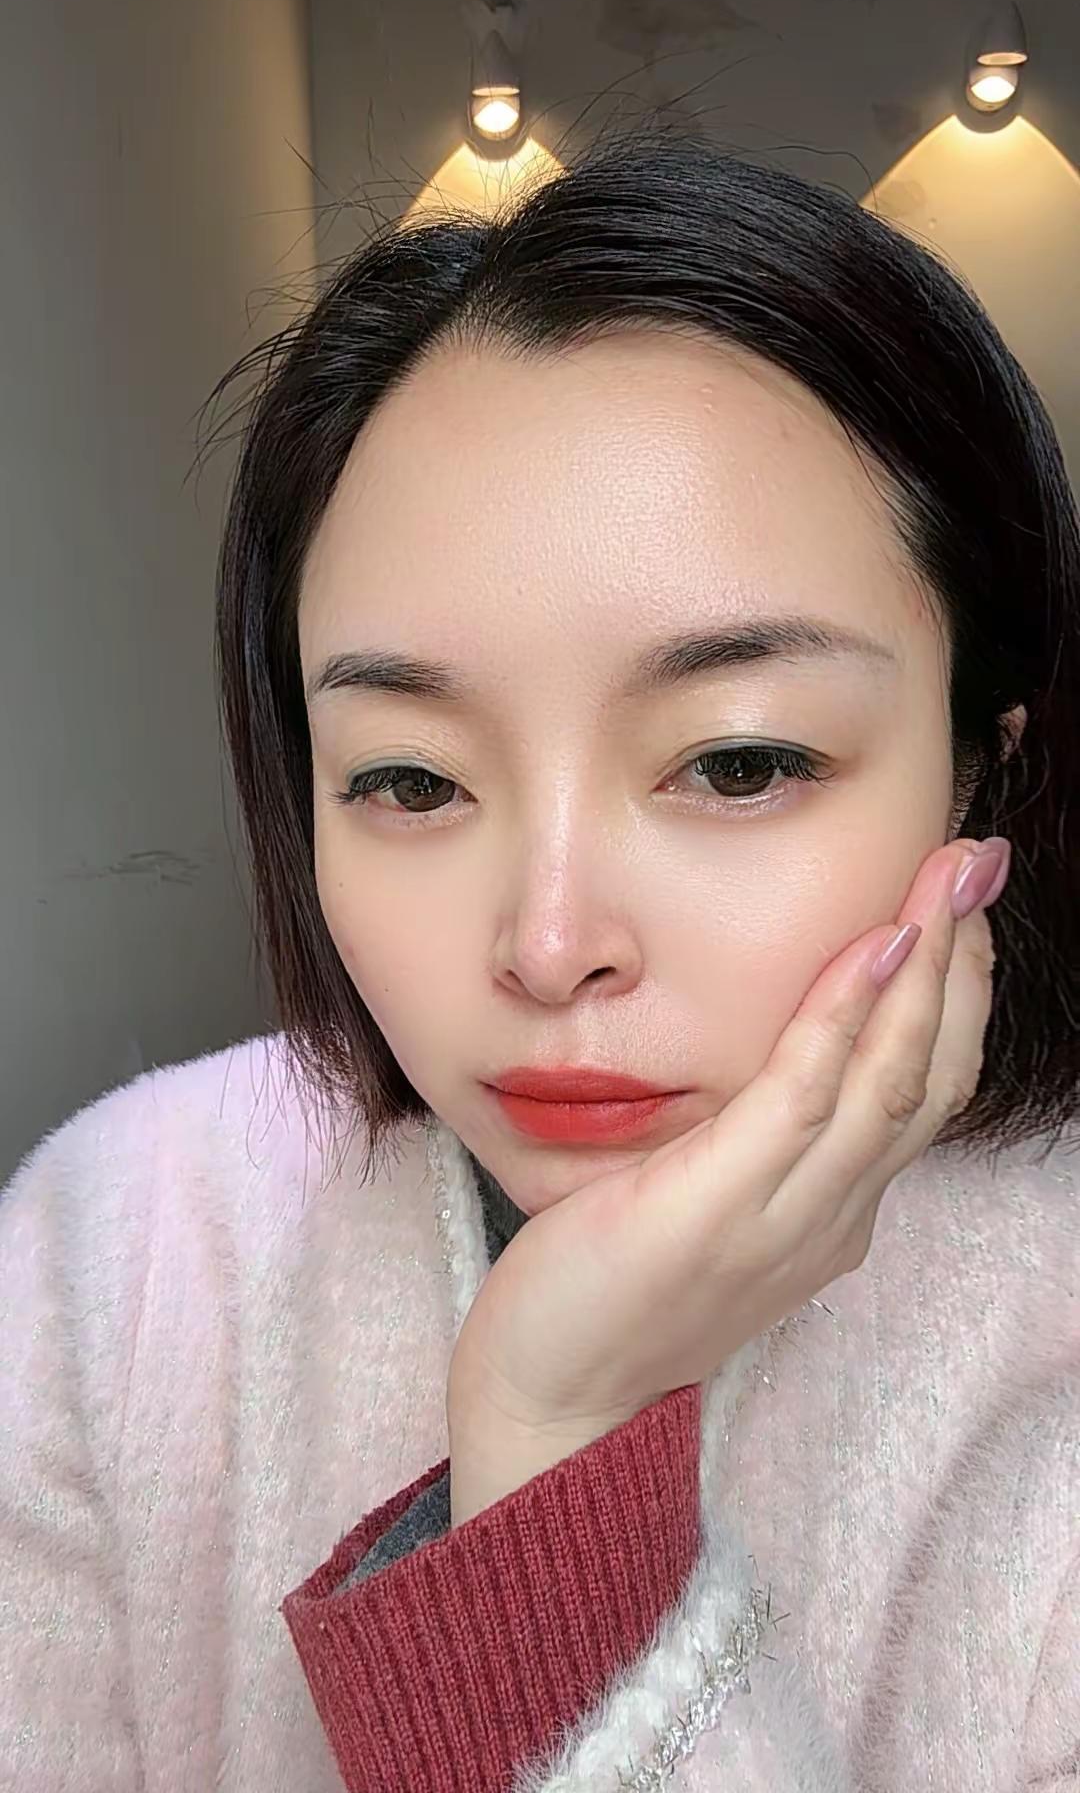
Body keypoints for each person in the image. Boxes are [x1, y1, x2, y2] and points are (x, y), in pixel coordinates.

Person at [2, 132, 1077, 1793]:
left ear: (979, 777)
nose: (550, 944)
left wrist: (555, 1445)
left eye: (737, 762)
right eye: (411, 781)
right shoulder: (115, 1253)